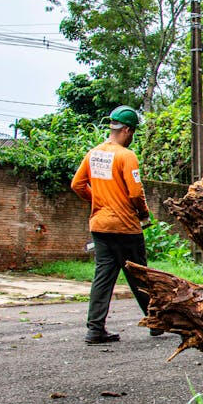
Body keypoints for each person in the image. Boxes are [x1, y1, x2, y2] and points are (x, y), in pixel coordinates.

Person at [71, 105, 160, 343]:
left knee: (103, 277)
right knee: (139, 275)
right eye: (133, 133)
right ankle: (156, 322)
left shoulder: (94, 153)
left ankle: (95, 329)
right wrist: (143, 214)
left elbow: (77, 185)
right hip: (125, 227)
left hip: (100, 226)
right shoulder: (126, 156)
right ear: (128, 130)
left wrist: (99, 200)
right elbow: (135, 192)